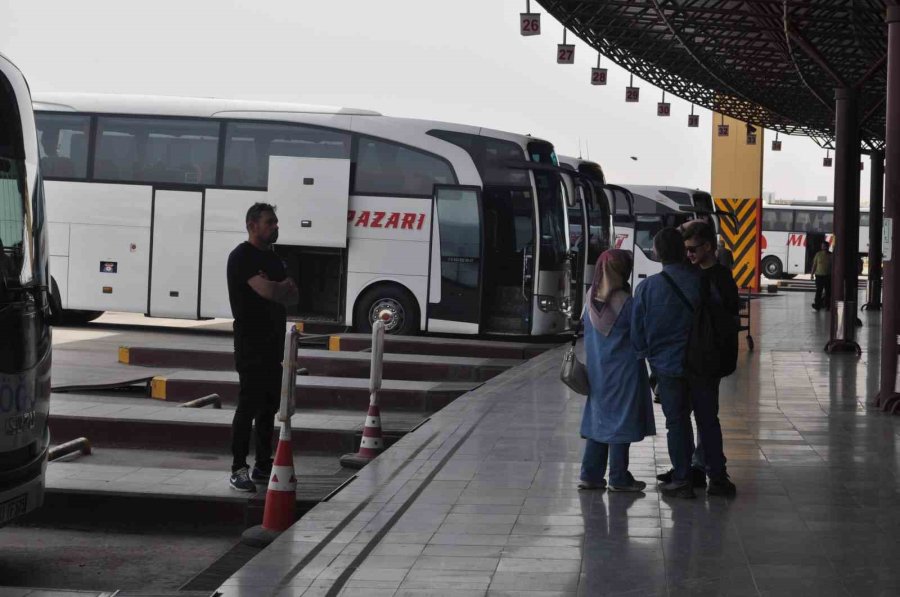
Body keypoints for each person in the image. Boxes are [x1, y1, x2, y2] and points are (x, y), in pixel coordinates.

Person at [631, 228, 736, 498]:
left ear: (656, 254)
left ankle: (682, 478)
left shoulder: (647, 288)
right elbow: (721, 317)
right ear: (682, 251)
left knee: (676, 422)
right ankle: (718, 479)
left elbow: (637, 335)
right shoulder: (704, 281)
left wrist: (650, 360)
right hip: (704, 364)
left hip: (667, 367)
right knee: (708, 421)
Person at [226, 203, 299, 492]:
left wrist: (277, 287)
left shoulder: (275, 259)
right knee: (249, 403)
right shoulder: (241, 256)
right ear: (252, 225)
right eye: (270, 222)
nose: (275, 226)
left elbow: (293, 297)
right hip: (250, 341)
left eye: (276, 222)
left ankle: (263, 464)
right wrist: (278, 288)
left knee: (269, 405)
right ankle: (238, 467)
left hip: (273, 343)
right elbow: (270, 291)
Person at [578, 250, 655, 493]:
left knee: (598, 417)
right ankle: (619, 476)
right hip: (624, 372)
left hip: (597, 371)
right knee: (621, 420)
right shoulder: (627, 303)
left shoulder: (590, 297)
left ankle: (591, 474)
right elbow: (641, 337)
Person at [811, 240, 832, 310]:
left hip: (828, 276)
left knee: (828, 291)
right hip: (819, 275)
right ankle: (817, 305)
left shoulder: (831, 255)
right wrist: (812, 274)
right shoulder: (818, 254)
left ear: (827, 247)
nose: (823, 247)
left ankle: (827, 305)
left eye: (824, 246)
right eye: (822, 246)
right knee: (818, 291)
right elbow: (814, 265)